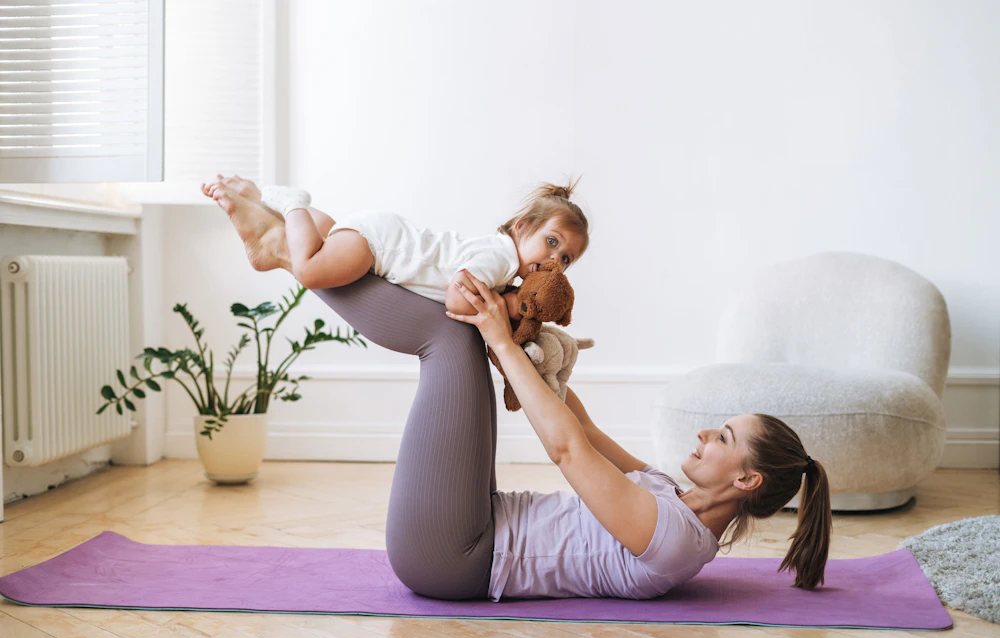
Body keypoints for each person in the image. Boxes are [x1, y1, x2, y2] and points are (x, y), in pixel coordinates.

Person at [203, 175, 832, 601]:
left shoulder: (674, 541)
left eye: (722, 436)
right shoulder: (668, 492)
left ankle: (291, 252)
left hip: (454, 555)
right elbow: (580, 429)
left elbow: (568, 453)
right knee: (466, 338)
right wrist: (537, 361)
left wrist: (505, 343)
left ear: (747, 480)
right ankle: (289, 250)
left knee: (454, 337)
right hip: (473, 518)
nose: (704, 432)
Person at [210, 178, 589, 323]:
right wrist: (505, 307)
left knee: (325, 240)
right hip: (381, 244)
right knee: (310, 270)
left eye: (566, 258)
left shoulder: (504, 263)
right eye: (552, 243)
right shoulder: (502, 257)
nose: (555, 260)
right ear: (521, 228)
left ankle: (267, 210)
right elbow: (458, 300)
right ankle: (293, 203)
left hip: (382, 233)